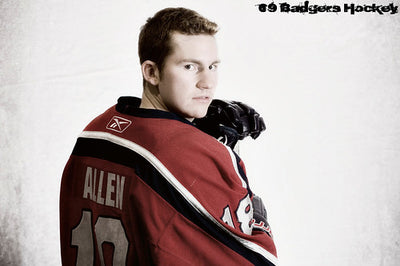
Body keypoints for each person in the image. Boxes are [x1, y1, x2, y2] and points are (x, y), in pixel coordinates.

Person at [60, 7, 277, 265]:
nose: (208, 82)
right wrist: (252, 204)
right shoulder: (189, 153)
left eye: (212, 66)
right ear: (151, 72)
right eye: (189, 66)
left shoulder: (95, 130)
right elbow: (257, 261)